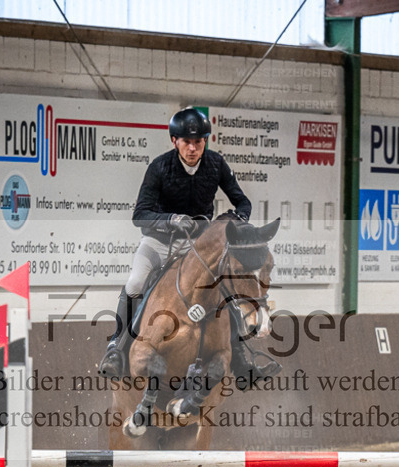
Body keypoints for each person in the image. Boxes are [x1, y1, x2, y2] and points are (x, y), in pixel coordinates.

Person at [97, 107, 280, 385]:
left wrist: (238, 221)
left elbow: (242, 202)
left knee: (224, 288)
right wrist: (170, 220)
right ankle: (116, 348)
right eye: (186, 142)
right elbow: (139, 215)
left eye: (199, 142)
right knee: (135, 283)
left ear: (205, 141)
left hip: (196, 247)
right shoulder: (159, 167)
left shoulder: (216, 164)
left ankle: (241, 357)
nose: (193, 148)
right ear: (174, 141)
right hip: (158, 242)